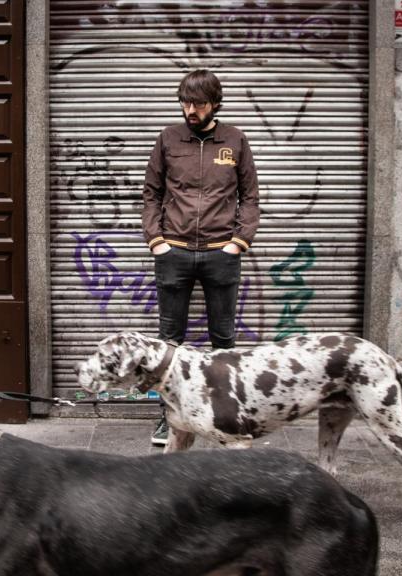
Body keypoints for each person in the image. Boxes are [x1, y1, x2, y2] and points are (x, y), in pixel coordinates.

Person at [140, 69, 260, 445]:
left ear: (215, 104)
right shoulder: (168, 139)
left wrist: (239, 241)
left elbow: (250, 196)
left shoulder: (235, 140)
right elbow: (151, 193)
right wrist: (156, 239)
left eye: (198, 103)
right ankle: (169, 419)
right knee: (169, 342)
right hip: (173, 252)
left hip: (220, 255)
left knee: (223, 340)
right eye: (185, 102)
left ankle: (224, 416)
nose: (190, 109)